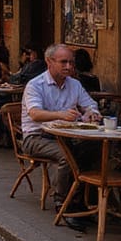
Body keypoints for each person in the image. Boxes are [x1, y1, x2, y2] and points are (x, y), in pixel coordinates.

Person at [21, 44, 101, 230]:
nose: (69, 67)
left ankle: (86, 201)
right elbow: (35, 114)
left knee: (94, 149)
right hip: (37, 137)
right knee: (67, 157)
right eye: (63, 62)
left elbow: (90, 104)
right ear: (49, 62)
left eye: (71, 63)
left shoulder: (75, 84)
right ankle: (64, 205)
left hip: (66, 136)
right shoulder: (35, 85)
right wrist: (60, 114)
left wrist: (92, 113)